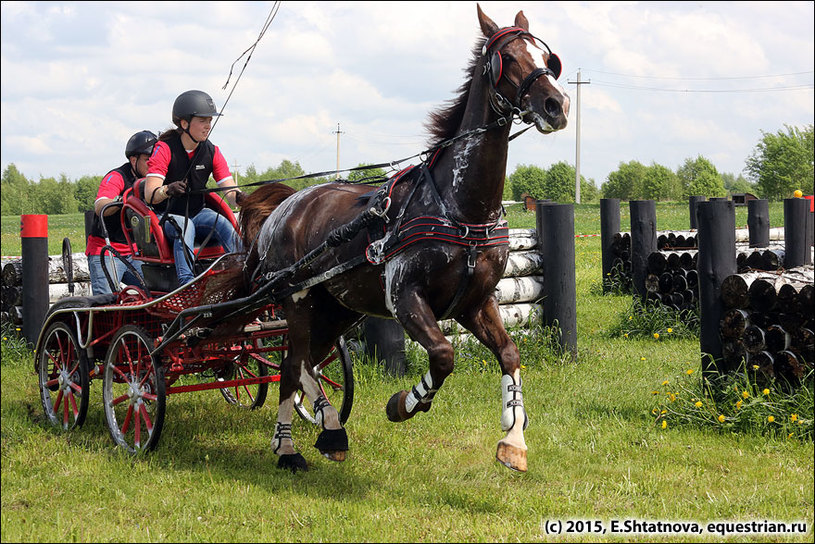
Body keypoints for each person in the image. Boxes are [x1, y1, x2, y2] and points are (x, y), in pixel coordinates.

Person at [143, 90, 246, 285]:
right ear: (184, 123)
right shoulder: (163, 149)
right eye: (203, 121)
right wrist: (167, 190)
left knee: (223, 223)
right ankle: (186, 283)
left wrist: (242, 198)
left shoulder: (212, 151)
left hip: (198, 213)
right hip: (167, 216)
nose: (208, 126)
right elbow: (150, 195)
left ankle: (245, 273)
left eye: (210, 121)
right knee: (185, 226)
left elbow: (230, 191)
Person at [86, 130, 157, 295]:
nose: (152, 165)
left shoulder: (154, 180)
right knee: (106, 300)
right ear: (134, 160)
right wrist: (124, 201)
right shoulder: (117, 176)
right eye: (148, 160)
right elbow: (100, 205)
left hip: (135, 253)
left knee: (156, 291)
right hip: (107, 251)